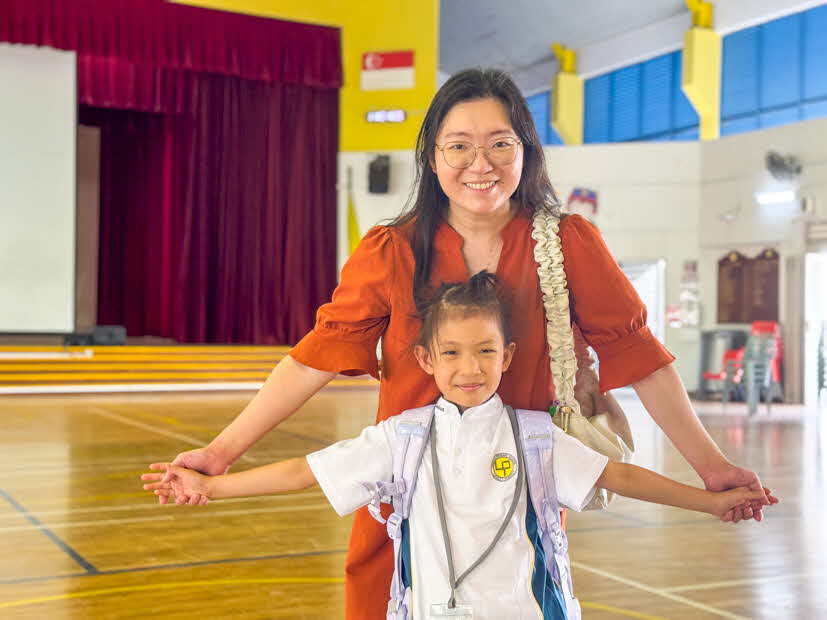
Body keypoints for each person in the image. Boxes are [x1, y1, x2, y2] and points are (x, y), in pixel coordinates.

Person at [158, 68, 772, 619]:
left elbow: (642, 361)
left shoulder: (570, 244)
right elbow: (313, 358)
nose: (481, 164)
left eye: (500, 145)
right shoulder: (391, 250)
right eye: (459, 146)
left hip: (515, 492)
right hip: (404, 493)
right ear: (431, 155)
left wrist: (712, 468)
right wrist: (220, 451)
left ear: (524, 152)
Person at [143, 273, 775, 620]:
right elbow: (305, 472)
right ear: (425, 359)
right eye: (451, 353)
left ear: (509, 357)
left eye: (484, 352)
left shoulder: (535, 437)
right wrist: (213, 483)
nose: (468, 367)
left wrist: (708, 501)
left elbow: (621, 477)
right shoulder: (403, 438)